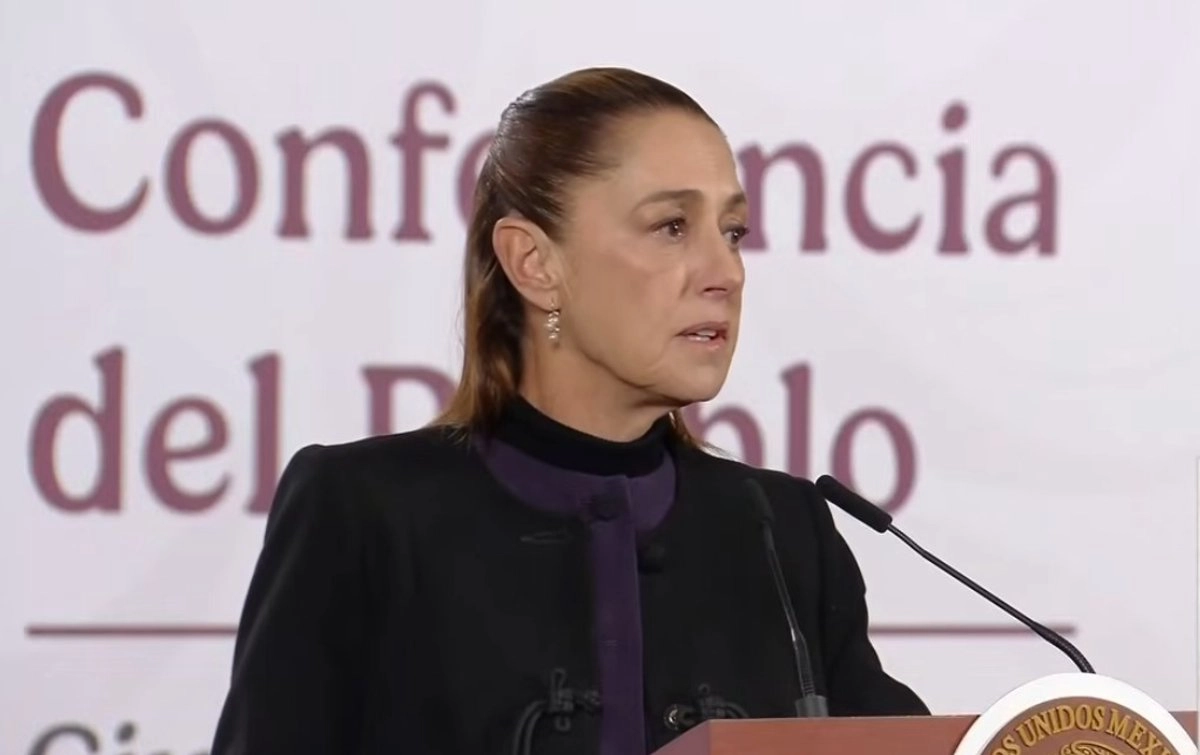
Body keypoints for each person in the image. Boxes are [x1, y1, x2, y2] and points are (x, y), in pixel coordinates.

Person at [209, 66, 928, 755]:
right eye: (672, 226)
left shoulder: (782, 532)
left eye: (732, 231)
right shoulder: (363, 513)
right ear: (534, 263)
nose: (726, 272)